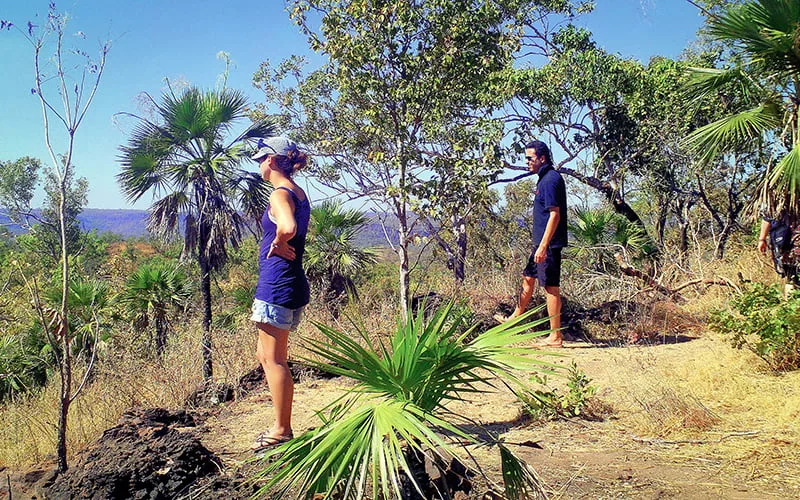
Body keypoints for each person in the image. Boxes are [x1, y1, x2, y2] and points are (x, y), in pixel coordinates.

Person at [249, 136, 310, 451]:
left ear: (271, 160)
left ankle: (282, 430)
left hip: (277, 285)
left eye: (260, 159)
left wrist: (277, 243)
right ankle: (281, 424)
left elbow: (287, 227)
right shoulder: (298, 192)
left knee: (274, 361)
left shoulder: (279, 194)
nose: (258, 165)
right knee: (267, 356)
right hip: (290, 283)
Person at [497, 140, 567, 348]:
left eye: (530, 158)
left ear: (542, 158)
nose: (527, 161)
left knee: (550, 288)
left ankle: (556, 336)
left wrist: (544, 246)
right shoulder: (543, 179)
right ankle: (514, 319)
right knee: (528, 278)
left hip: (549, 245)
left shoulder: (550, 180)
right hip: (540, 244)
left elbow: (555, 215)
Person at [758, 213, 799, 291]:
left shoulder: (774, 202)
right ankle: (791, 301)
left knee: (791, 276)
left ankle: (791, 301)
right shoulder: (774, 202)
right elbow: (767, 216)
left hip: (784, 241)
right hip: (785, 242)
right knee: (791, 275)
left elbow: (767, 216)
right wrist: (762, 239)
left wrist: (762, 239)